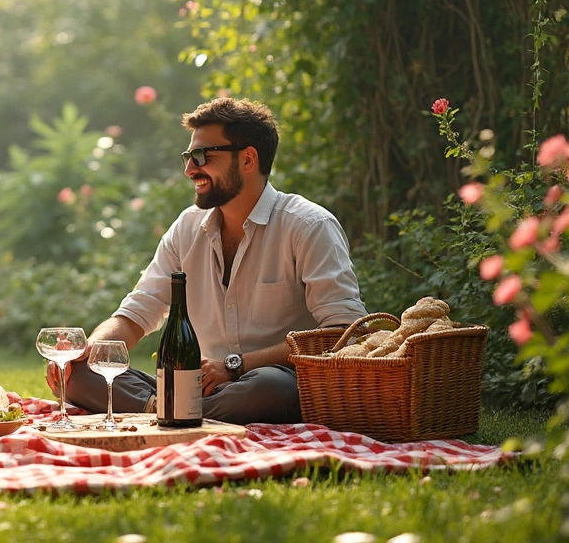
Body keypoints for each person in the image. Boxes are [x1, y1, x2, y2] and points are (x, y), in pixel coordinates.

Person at [47, 98, 367, 424]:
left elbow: (345, 332)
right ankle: (168, 412)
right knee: (77, 374)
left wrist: (237, 365)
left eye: (201, 156)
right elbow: (137, 313)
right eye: (188, 156)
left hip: (269, 384)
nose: (189, 169)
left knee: (270, 388)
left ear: (247, 159)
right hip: (201, 389)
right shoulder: (186, 228)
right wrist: (90, 350)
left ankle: (163, 414)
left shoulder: (308, 227)